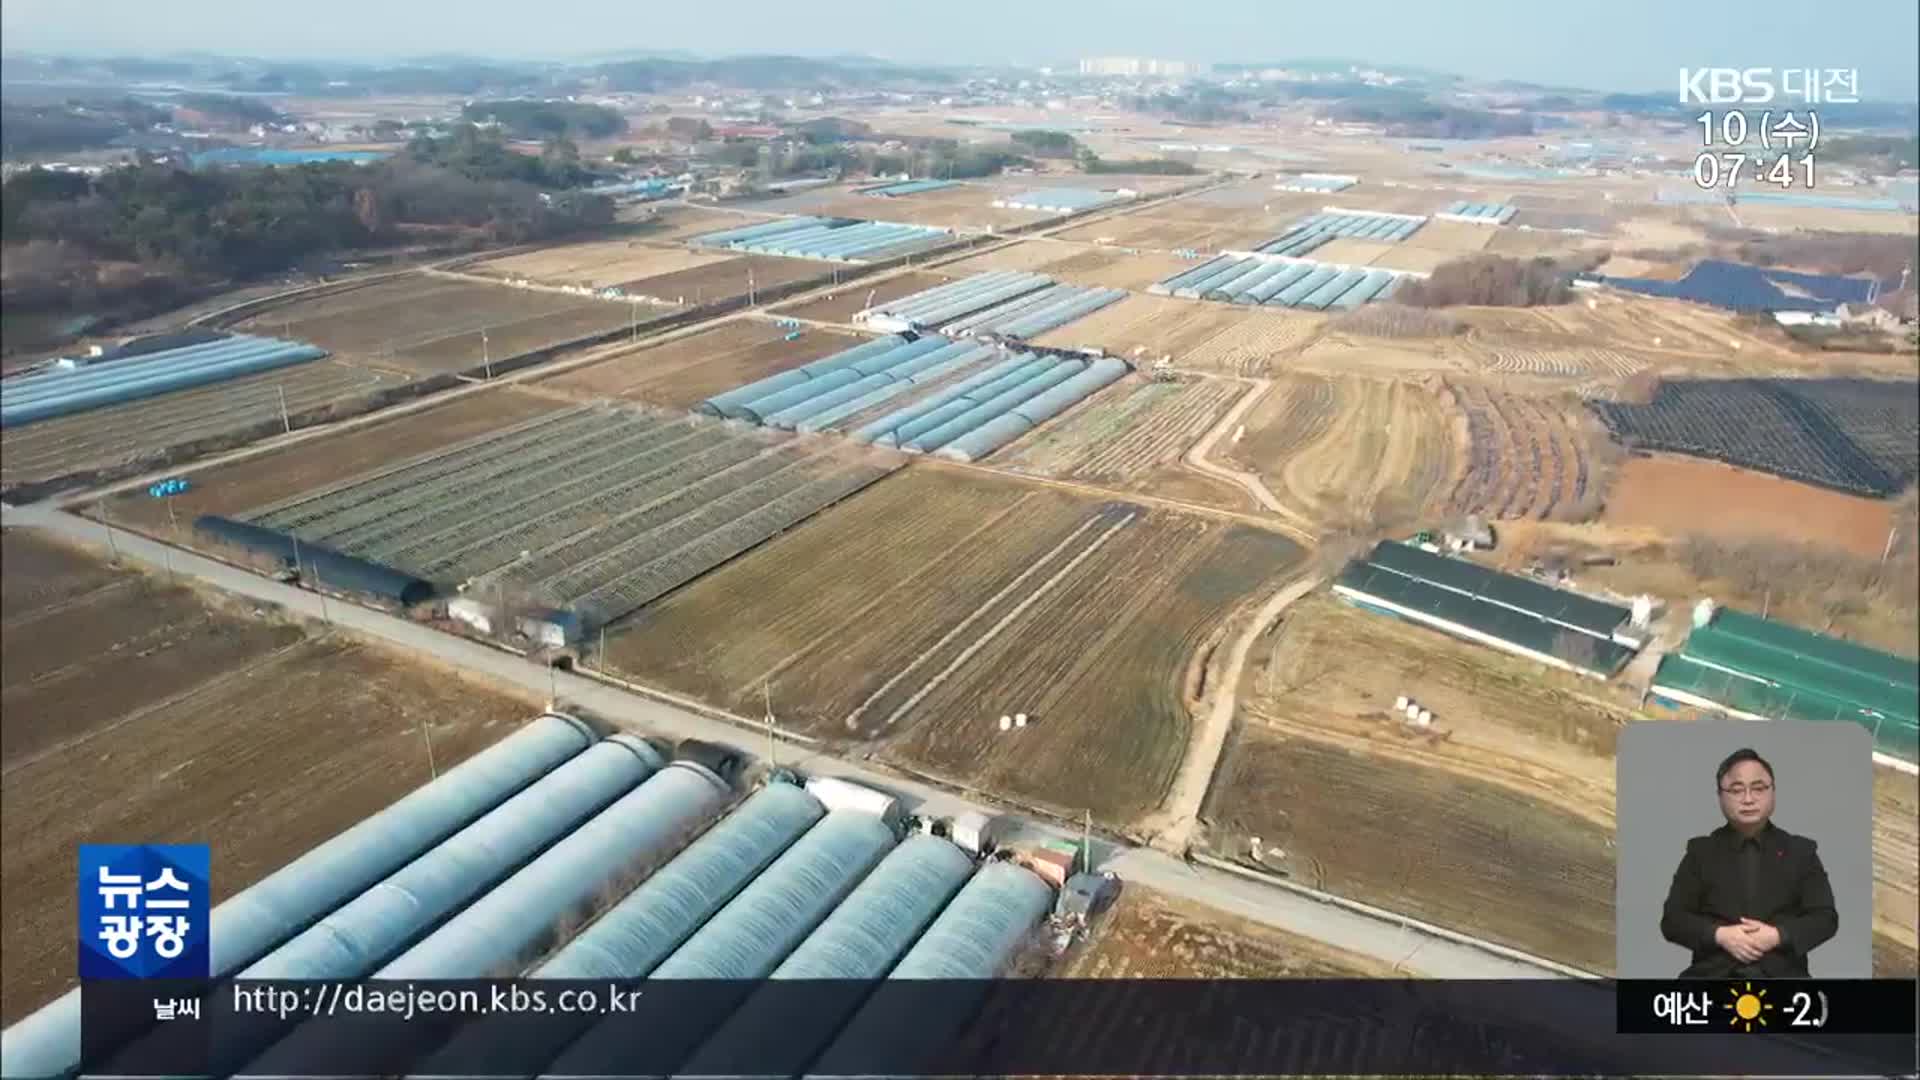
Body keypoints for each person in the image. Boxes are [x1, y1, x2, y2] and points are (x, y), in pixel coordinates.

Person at [1659, 747, 1837, 978]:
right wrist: (1720, 935)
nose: (1748, 799)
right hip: (1712, 975)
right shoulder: (1700, 852)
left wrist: (1777, 936)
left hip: (1784, 977)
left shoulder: (1801, 852)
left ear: (1773, 792)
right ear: (1720, 796)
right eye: (1736, 790)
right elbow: (1673, 920)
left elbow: (1825, 918)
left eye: (1759, 788)